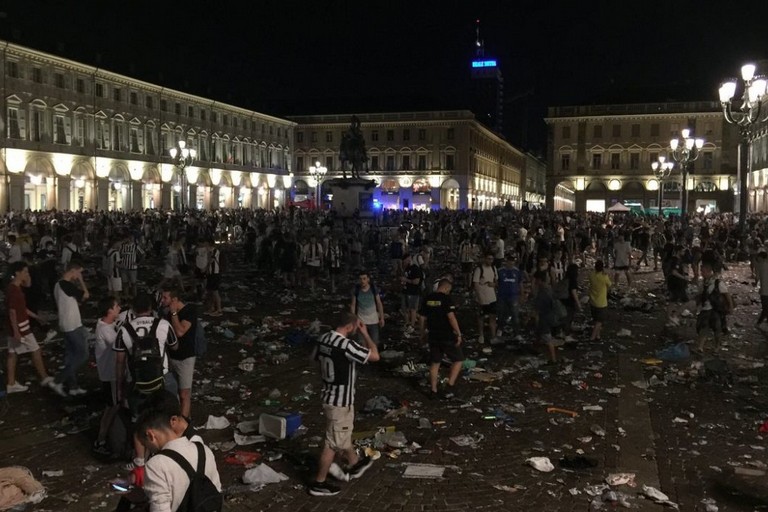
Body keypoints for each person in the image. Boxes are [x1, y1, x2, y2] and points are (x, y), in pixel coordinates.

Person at [308, 312, 380, 496]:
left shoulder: (323, 338)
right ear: (350, 327)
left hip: (328, 395)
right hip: (340, 401)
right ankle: (319, 482)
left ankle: (354, 464)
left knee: (342, 432)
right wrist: (365, 334)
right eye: (356, 326)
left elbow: (313, 359)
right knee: (332, 443)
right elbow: (374, 356)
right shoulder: (346, 345)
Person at [114, 293, 179, 487]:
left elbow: (119, 362)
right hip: (163, 379)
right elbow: (175, 347)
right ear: (151, 308)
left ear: (132, 310)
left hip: (136, 383)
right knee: (169, 420)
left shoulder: (124, 330)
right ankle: (171, 456)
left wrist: (120, 388)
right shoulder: (163, 325)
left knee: (139, 424)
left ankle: (140, 466)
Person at [135, 407, 222, 511]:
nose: (148, 449)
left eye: (145, 444)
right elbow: (217, 491)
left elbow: (160, 509)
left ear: (150, 435)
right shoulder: (204, 449)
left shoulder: (156, 464)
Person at [4, 261, 54, 393]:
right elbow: (13, 312)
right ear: (17, 273)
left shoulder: (14, 287)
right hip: (21, 328)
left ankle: (11, 383)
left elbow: (22, 308)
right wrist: (17, 331)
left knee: (12, 354)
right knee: (36, 350)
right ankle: (44, 377)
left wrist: (37, 317)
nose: (27, 274)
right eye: (25, 272)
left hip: (16, 327)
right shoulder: (14, 290)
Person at [49, 260, 90, 397]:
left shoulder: (58, 285)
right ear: (73, 270)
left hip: (66, 323)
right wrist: (82, 282)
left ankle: (73, 386)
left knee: (71, 356)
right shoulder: (65, 285)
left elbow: (78, 300)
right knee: (83, 355)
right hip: (72, 325)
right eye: (79, 273)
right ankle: (58, 380)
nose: (79, 276)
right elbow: (85, 295)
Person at [419, 278, 464, 398]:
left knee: (435, 363)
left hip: (433, 335)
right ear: (446, 288)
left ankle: (433, 390)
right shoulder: (446, 299)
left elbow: (422, 318)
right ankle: (450, 386)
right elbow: (451, 317)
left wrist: (422, 333)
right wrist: (458, 333)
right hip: (446, 335)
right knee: (458, 359)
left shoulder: (427, 298)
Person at [160, 287, 197, 420]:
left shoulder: (189, 311)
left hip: (185, 358)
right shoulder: (166, 312)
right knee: (173, 393)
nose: (162, 300)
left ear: (174, 300)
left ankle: (185, 426)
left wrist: (174, 313)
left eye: (165, 298)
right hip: (171, 358)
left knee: (184, 394)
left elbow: (180, 332)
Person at [92, 296, 123, 457]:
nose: (119, 308)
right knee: (111, 407)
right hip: (110, 375)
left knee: (113, 406)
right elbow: (121, 344)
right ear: (109, 310)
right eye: (117, 306)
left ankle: (107, 436)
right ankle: (101, 440)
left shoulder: (107, 325)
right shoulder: (105, 330)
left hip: (110, 374)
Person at [696, 261, 733, 352]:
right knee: (704, 328)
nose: (702, 273)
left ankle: (716, 346)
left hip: (715, 310)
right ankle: (700, 347)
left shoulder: (717, 283)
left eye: (703, 271)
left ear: (709, 271)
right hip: (706, 309)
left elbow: (727, 295)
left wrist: (730, 307)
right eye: (701, 271)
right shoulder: (704, 283)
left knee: (717, 329)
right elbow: (701, 296)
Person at [350, 272, 385, 347]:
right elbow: (353, 305)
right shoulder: (356, 289)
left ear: (368, 279)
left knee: (374, 343)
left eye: (364, 279)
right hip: (361, 321)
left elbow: (379, 303)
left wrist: (382, 318)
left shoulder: (373, 288)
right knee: (362, 344)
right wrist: (353, 321)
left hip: (374, 321)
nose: (362, 281)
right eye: (360, 279)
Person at [531, 270, 558, 363]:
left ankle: (553, 359)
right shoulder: (548, 288)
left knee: (547, 338)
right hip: (550, 315)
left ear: (539, 280)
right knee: (539, 334)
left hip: (544, 318)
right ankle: (536, 349)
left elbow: (537, 309)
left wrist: (531, 318)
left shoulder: (542, 292)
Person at [472, 253, 499, 344]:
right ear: (484, 259)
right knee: (481, 317)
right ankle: (481, 335)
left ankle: (493, 336)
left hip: (492, 298)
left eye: (491, 259)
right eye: (488, 258)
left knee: (493, 317)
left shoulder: (493, 268)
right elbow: (475, 284)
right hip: (482, 298)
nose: (490, 261)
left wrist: (494, 285)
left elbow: (496, 282)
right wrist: (479, 297)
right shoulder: (479, 269)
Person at [496, 254, 523, 338]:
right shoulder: (500, 271)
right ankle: (500, 329)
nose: (511, 264)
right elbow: (496, 282)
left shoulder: (517, 271)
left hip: (513, 297)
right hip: (502, 296)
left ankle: (517, 333)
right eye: (509, 262)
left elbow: (520, 284)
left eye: (512, 262)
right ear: (506, 262)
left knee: (515, 315)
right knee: (501, 314)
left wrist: (521, 295)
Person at [588, 260, 611, 341]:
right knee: (600, 321)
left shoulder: (591, 275)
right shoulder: (604, 277)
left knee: (596, 319)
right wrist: (607, 274)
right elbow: (610, 284)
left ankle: (598, 335)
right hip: (601, 302)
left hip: (592, 301)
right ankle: (593, 337)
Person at [401, 254, 424, 335]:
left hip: (413, 292)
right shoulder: (406, 268)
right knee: (405, 309)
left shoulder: (415, 269)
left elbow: (416, 281)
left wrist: (406, 280)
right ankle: (407, 324)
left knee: (412, 309)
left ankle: (412, 325)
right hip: (406, 291)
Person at [205, 239, 223, 317]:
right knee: (211, 291)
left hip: (215, 273)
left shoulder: (215, 251)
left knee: (215, 292)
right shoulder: (209, 252)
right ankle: (212, 308)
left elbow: (211, 260)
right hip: (211, 274)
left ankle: (219, 310)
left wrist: (205, 268)